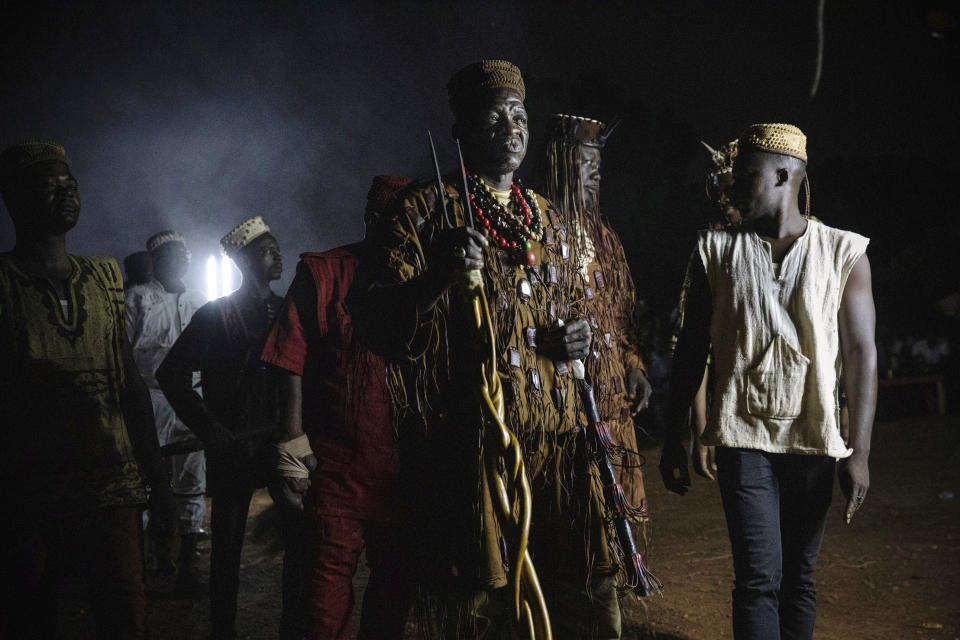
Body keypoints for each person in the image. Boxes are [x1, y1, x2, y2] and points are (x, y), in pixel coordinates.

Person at [359, 60, 622, 639]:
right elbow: (375, 324)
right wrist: (437, 277)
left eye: (521, 114)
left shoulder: (549, 218)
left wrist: (579, 334)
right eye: (494, 115)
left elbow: (581, 308)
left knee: (582, 595)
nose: (512, 126)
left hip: (562, 448)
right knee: (483, 604)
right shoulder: (425, 212)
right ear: (460, 130)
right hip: (473, 452)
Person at [660, 124, 877, 640]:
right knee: (758, 581)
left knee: (798, 580)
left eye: (746, 174)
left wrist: (860, 451)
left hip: (815, 441)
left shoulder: (844, 252)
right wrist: (678, 433)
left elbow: (861, 351)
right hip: (743, 441)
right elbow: (692, 350)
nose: (733, 185)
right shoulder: (715, 251)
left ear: (784, 175)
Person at [0, 141, 175, 639]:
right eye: (49, 185)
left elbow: (129, 386)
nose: (67, 193)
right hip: (28, 497)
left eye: (71, 184)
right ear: (13, 199)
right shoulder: (4, 283)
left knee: (126, 624)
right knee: (30, 621)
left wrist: (158, 485)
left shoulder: (102, 277)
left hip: (112, 491)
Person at [260, 175, 414, 640]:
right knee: (324, 610)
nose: (404, 230)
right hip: (334, 471)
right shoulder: (326, 271)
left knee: (393, 596)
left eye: (412, 220)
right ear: (370, 218)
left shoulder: (428, 282)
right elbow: (289, 355)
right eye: (392, 218)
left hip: (403, 474)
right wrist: (291, 444)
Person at [156, 216, 298, 638]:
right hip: (232, 447)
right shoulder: (214, 316)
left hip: (277, 442)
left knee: (301, 537)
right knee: (226, 550)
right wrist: (209, 427)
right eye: (268, 249)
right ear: (245, 258)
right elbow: (172, 376)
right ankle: (223, 630)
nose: (279, 255)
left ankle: (296, 626)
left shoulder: (286, 311)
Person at [539, 113, 653, 527]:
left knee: (617, 525)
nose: (593, 177)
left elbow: (623, 317)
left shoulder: (605, 240)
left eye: (597, 168)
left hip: (613, 404)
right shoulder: (537, 235)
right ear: (558, 166)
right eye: (583, 166)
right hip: (565, 406)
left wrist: (635, 367)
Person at [126, 229, 208, 594]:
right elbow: (123, 355)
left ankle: (188, 563)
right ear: (158, 260)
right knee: (145, 479)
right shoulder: (138, 299)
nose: (184, 258)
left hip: (192, 399)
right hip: (151, 400)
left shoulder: (201, 301)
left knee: (192, 480)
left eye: (186, 252)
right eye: (175, 252)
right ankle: (145, 564)